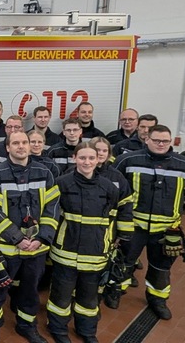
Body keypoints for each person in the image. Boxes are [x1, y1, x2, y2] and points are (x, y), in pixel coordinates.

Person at [46, 142, 133, 343]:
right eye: (83, 158)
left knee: (89, 297)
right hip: (66, 250)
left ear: (98, 159)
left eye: (91, 158)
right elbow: (49, 214)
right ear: (74, 158)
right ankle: (57, 329)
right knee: (61, 295)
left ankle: (86, 330)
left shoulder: (109, 187)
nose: (87, 162)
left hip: (95, 252)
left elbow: (120, 213)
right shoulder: (61, 183)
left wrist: (121, 237)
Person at [113, 125, 185, 320]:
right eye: (156, 140)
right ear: (147, 139)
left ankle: (157, 300)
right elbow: (115, 187)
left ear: (170, 141)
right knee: (123, 262)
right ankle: (115, 291)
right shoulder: (127, 161)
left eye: (165, 141)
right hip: (133, 226)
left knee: (161, 268)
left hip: (167, 229)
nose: (161, 144)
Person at [0, 131, 60, 343]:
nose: (21, 146)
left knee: (30, 291)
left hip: (36, 248)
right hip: (6, 248)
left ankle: (26, 326)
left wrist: (42, 238)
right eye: (15, 143)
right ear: (8, 148)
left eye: (24, 142)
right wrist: (17, 238)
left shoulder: (45, 173)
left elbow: (53, 208)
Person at [90, 137, 138, 308]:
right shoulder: (76, 172)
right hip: (83, 229)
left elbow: (126, 205)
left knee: (106, 265)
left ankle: (102, 295)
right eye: (97, 150)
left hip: (108, 230)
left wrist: (122, 234)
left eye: (104, 150)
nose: (101, 153)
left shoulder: (117, 177)